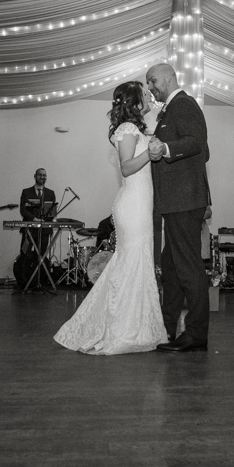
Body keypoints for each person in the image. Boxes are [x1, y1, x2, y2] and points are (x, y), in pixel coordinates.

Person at [54, 81, 168, 354]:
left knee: (135, 263)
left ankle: (135, 325)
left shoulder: (136, 128)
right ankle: (120, 328)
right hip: (133, 205)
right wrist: (150, 154)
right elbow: (127, 167)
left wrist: (153, 115)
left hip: (141, 203)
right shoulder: (127, 129)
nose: (148, 96)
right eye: (144, 94)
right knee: (131, 262)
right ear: (134, 101)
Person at [146, 63, 211, 352]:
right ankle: (166, 327)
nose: (150, 86)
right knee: (171, 269)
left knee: (188, 268)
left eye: (153, 80)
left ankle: (196, 334)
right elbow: (204, 150)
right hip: (175, 201)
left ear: (170, 76)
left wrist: (167, 149)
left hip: (183, 201)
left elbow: (197, 144)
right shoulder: (169, 111)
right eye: (148, 83)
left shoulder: (183, 104)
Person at [14, 168, 57, 290]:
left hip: (44, 231)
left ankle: (38, 282)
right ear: (35, 176)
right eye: (40, 175)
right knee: (25, 254)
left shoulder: (50, 193)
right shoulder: (26, 192)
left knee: (41, 256)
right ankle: (23, 283)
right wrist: (33, 219)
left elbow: (52, 211)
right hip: (29, 230)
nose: (42, 177)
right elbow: (23, 210)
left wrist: (50, 218)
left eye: (44, 175)